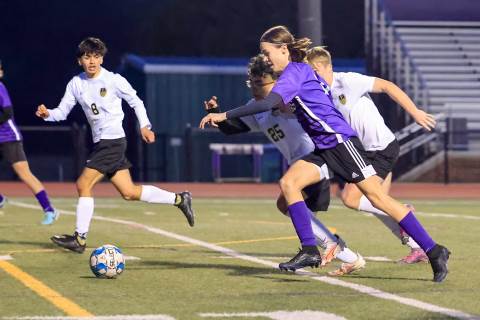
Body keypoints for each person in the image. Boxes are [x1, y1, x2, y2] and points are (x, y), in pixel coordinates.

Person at [199, 26, 450, 282]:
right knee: (288, 184)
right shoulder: (293, 73)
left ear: (283, 49)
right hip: (323, 145)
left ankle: (434, 249)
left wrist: (224, 114)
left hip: (339, 141)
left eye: (266, 52)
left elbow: (268, 103)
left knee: (377, 198)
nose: (264, 58)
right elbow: (282, 106)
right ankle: (310, 249)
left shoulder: (294, 72)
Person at [204, 54, 365, 275]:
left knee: (293, 201)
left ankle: (335, 248)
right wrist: (215, 113)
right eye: (251, 82)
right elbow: (234, 127)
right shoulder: (257, 106)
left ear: (277, 81)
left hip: (318, 160)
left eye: (259, 83)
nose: (254, 88)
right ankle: (345, 255)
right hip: (302, 164)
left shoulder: (292, 100)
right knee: (291, 209)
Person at [35, 37, 194, 253]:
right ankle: (179, 199)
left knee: (83, 185)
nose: (92, 61)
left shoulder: (113, 80)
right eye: (87, 57)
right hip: (102, 143)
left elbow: (136, 102)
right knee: (129, 192)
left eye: (97, 56)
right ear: (79, 60)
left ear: (102, 58)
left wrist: (145, 126)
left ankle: (79, 240)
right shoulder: (76, 84)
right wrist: (47, 114)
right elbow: (61, 113)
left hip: (113, 142)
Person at [306, 46, 432, 264]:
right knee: (378, 202)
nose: (311, 79)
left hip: (381, 148)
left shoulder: (347, 81)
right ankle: (416, 244)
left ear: (322, 67)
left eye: (312, 73)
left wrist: (415, 112)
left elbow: (387, 86)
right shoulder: (318, 93)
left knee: (352, 198)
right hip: (361, 153)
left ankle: (405, 216)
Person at [0, 59, 58, 224]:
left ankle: (49, 210)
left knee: (24, 174)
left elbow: (7, 113)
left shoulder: (0, 88)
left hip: (9, 138)